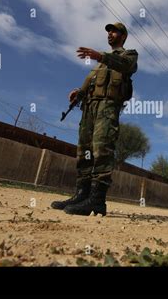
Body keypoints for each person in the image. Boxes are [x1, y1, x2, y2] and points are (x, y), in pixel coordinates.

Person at [51, 22, 138, 216]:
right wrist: (79, 93)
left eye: (114, 31)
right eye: (108, 31)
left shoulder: (128, 55)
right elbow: (91, 83)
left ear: (123, 36)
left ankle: (97, 200)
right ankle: (81, 195)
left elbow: (127, 66)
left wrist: (100, 56)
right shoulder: (99, 66)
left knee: (102, 149)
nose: (110, 34)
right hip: (89, 108)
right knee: (85, 151)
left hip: (107, 107)